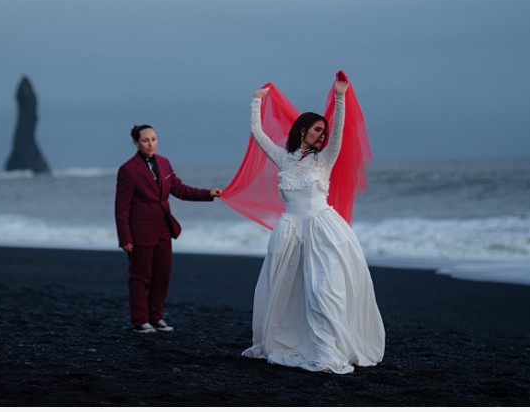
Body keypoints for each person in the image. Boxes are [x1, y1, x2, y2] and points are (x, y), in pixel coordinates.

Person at [239, 74, 385, 374]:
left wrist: (339, 96)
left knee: (324, 290)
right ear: (303, 130)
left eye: (324, 131)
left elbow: (340, 132)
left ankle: (326, 350)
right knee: (286, 291)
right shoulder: (283, 158)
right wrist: (257, 101)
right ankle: (287, 341)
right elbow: (257, 132)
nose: (322, 135)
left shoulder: (324, 160)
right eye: (317, 130)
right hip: (291, 230)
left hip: (323, 229)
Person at [114, 124, 222, 334]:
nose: (150, 143)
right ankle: (140, 321)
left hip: (164, 228)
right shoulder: (128, 170)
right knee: (140, 276)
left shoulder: (164, 163)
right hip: (140, 232)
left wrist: (208, 193)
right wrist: (124, 237)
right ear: (136, 143)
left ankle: (156, 317)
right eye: (145, 140)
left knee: (162, 275)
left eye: (153, 139)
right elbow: (121, 208)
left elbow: (179, 189)